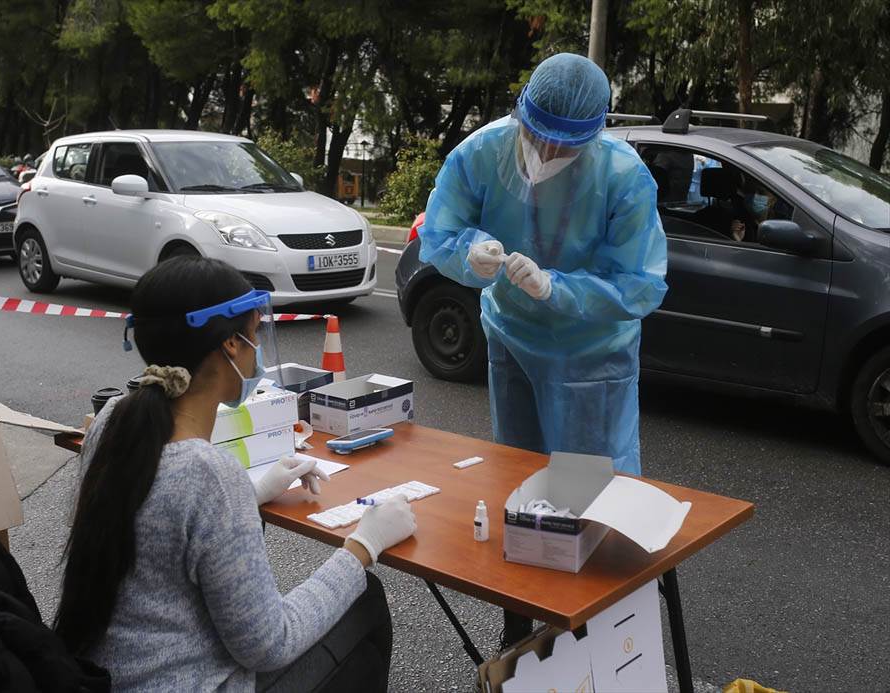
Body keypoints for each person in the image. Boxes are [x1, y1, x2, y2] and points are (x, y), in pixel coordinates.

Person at [55, 256, 417, 692]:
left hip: (103, 677)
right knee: (364, 597)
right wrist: (363, 545)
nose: (257, 345)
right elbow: (269, 644)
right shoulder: (207, 474)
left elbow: (160, 518)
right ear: (230, 344)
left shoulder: (113, 420)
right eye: (255, 332)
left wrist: (253, 492)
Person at [419, 53, 668, 476]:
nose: (546, 152)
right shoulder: (480, 153)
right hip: (512, 333)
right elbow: (440, 232)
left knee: (590, 483)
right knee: (518, 471)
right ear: (521, 111)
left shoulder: (623, 176)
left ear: (593, 134)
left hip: (593, 353)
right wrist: (470, 252)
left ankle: (592, 541)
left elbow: (640, 283)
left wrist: (556, 288)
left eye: (563, 146)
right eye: (536, 137)